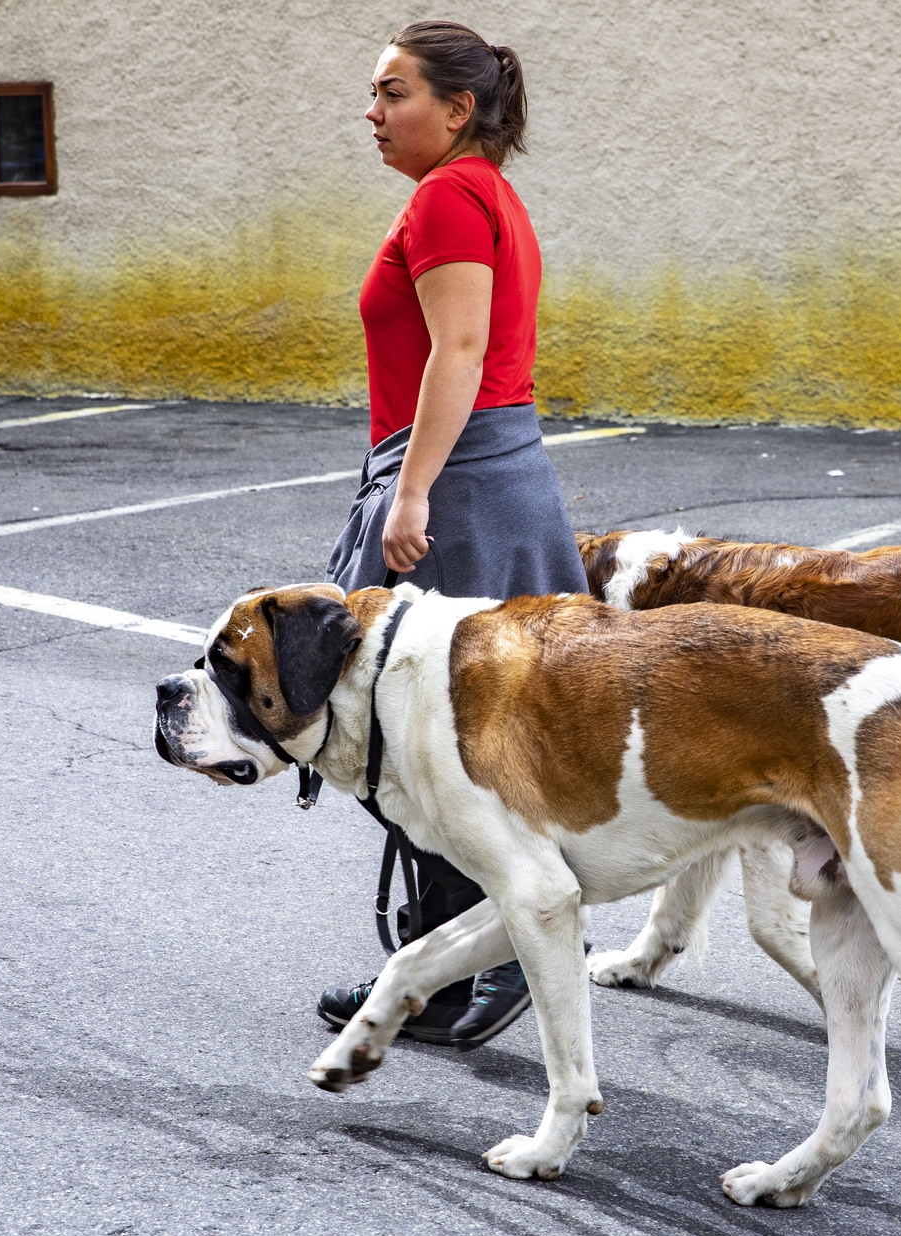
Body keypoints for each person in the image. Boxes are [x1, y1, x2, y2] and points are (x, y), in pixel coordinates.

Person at [317, 20, 587, 1047]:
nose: (373, 113)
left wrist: (413, 492)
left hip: (464, 480)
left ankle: (496, 951)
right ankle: (438, 966)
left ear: (459, 108)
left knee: (428, 736)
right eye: (374, 95)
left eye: (394, 93)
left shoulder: (449, 196)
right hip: (490, 470)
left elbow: (460, 349)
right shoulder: (489, 194)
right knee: (447, 734)